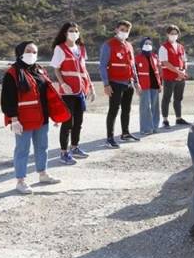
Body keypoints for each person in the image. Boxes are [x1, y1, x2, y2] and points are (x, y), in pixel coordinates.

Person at [2, 41, 70, 194]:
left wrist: (55, 115)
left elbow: (49, 95)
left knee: (42, 147)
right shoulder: (12, 73)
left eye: (34, 52)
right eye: (28, 51)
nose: (32, 54)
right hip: (23, 120)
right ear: (20, 52)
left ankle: (43, 174)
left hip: (42, 118)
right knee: (22, 150)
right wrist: (13, 118)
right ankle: (20, 181)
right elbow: (7, 99)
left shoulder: (40, 70)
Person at [50, 22, 95, 165]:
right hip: (68, 91)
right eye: (71, 30)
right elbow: (56, 69)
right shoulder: (60, 48)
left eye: (76, 31)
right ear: (65, 33)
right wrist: (62, 83)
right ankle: (63, 152)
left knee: (79, 121)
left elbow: (84, 70)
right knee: (67, 122)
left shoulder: (81, 49)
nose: (74, 33)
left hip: (80, 90)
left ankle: (75, 147)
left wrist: (91, 87)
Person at [100, 20, 140, 148]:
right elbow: (102, 66)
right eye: (122, 29)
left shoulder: (129, 45)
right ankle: (110, 138)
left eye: (127, 30)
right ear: (116, 30)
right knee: (113, 110)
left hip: (128, 83)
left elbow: (132, 65)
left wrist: (136, 82)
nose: (124, 32)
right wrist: (106, 84)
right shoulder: (108, 45)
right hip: (115, 83)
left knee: (126, 110)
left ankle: (125, 133)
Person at [159, 24, 189, 128]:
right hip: (169, 77)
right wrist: (177, 72)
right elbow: (165, 62)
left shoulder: (181, 47)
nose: (174, 35)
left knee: (178, 98)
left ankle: (178, 118)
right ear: (167, 34)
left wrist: (183, 72)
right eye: (172, 33)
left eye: (176, 33)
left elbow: (185, 61)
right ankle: (165, 120)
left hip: (180, 77)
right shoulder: (164, 47)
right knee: (166, 98)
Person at [135, 37, 162, 135]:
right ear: (142, 45)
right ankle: (146, 128)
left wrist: (160, 84)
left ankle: (155, 126)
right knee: (145, 106)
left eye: (149, 43)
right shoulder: (137, 58)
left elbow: (158, 71)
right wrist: (136, 85)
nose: (148, 45)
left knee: (155, 106)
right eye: (146, 43)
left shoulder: (155, 56)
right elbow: (134, 73)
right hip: (143, 85)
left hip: (155, 84)